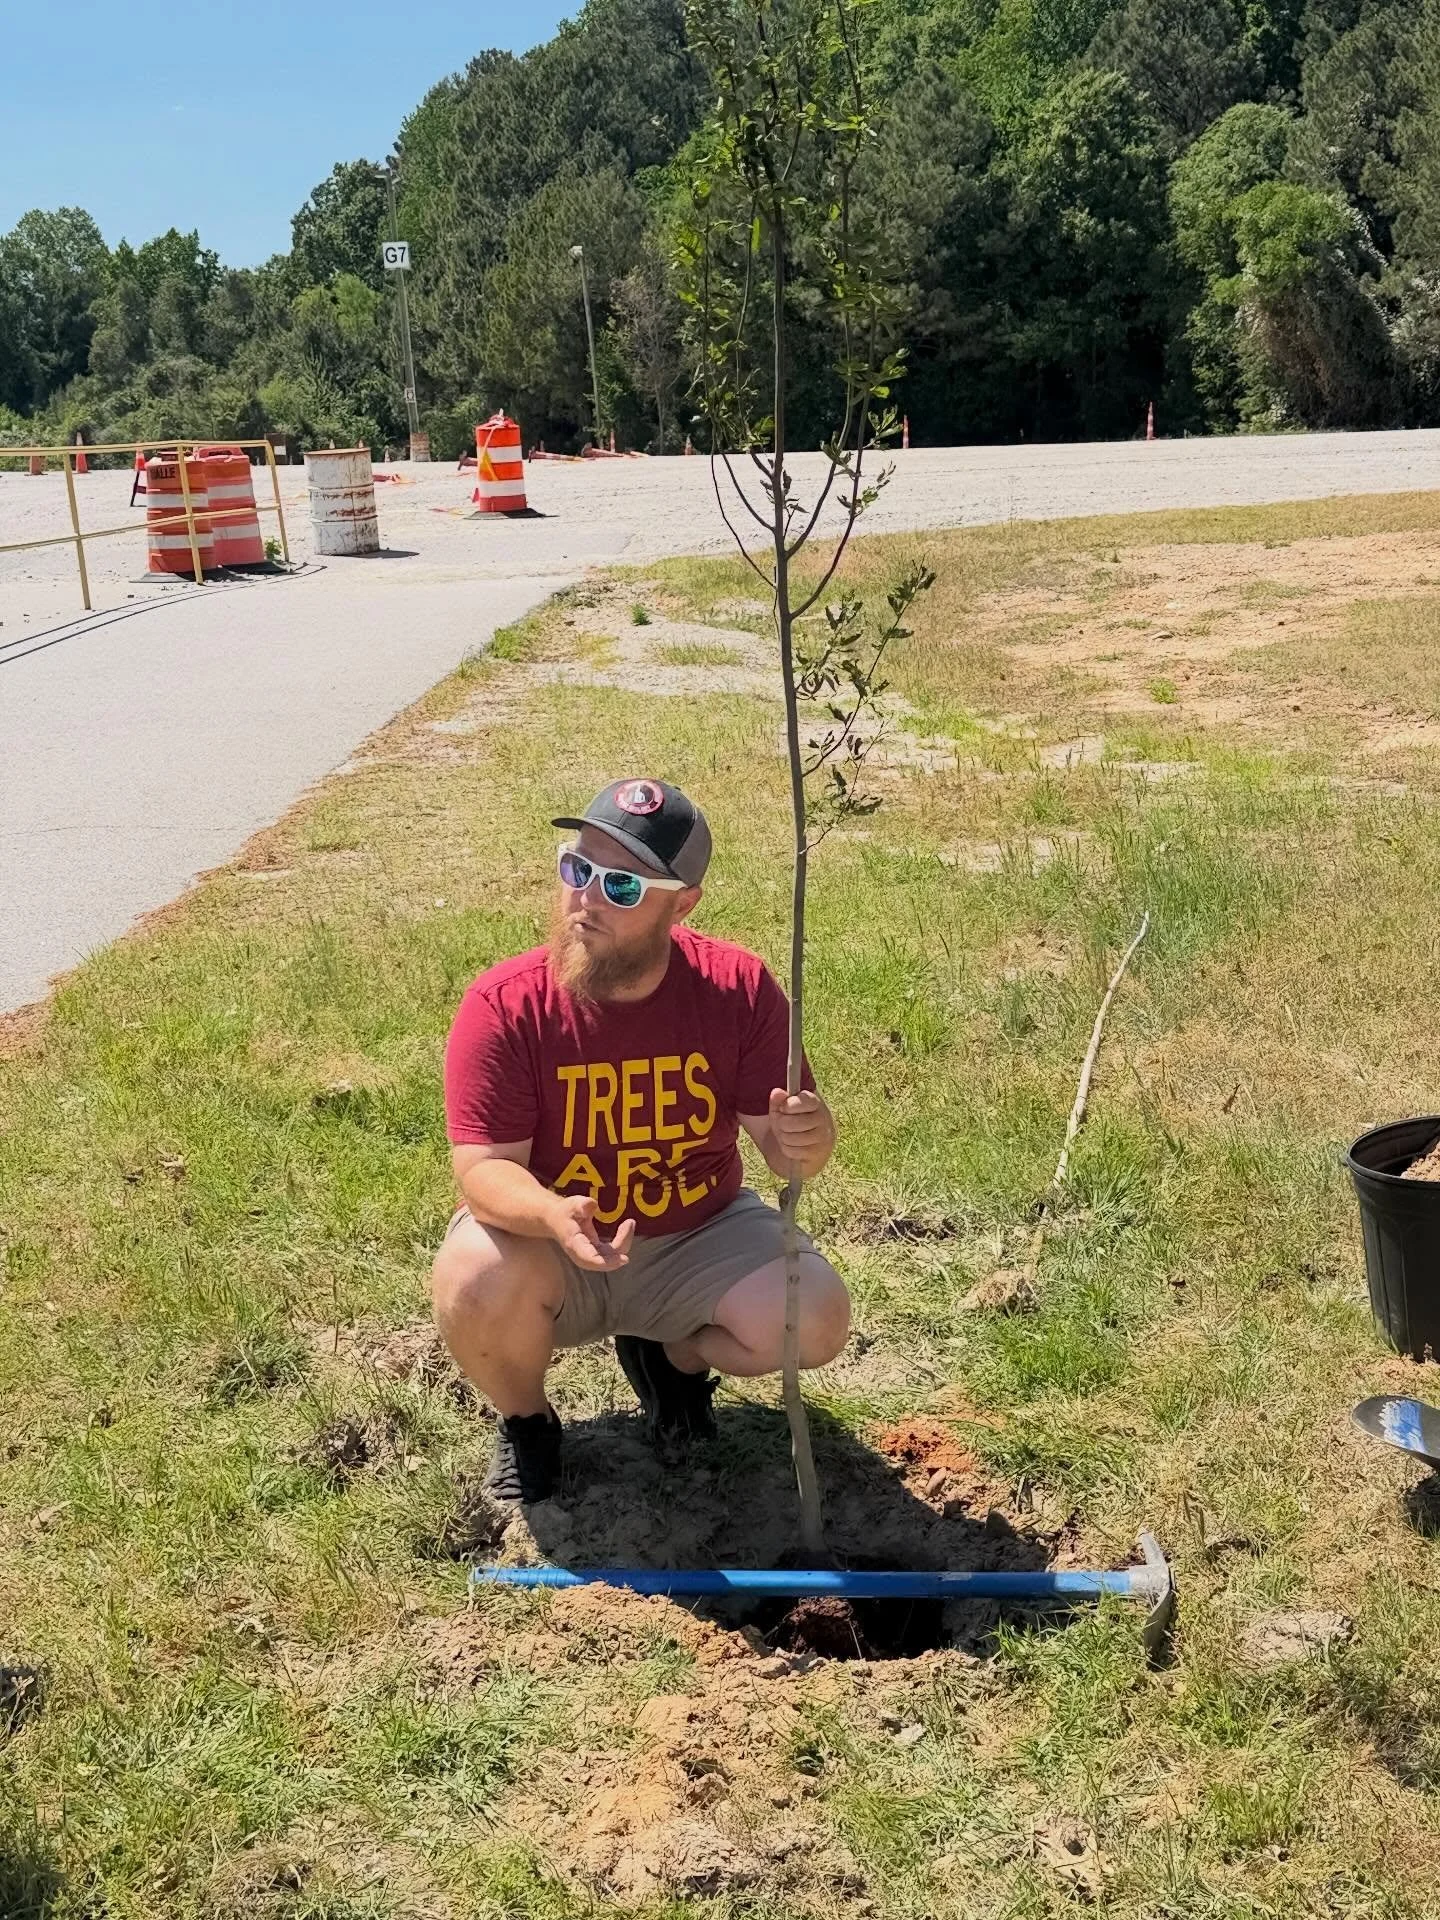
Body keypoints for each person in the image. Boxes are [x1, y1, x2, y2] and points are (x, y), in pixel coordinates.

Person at [433, 776, 850, 1503]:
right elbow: (483, 1170)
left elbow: (785, 1151)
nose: (587, 897)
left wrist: (811, 1139)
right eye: (578, 869)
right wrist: (552, 1216)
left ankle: (676, 1357)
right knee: (474, 1274)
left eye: (622, 886)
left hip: (697, 1234)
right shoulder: (505, 1005)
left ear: (681, 903)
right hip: (555, 1244)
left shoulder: (737, 989)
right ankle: (527, 1423)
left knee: (814, 1318)